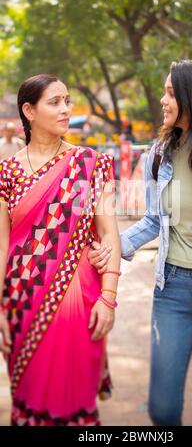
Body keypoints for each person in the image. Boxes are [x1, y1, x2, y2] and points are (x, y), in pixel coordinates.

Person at [88, 59, 192, 426]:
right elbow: (153, 221)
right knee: (162, 410)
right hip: (172, 290)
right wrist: (110, 249)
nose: (163, 100)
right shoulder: (159, 156)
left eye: (171, 93)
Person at [0, 73, 121, 426]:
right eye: (54, 102)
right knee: (29, 397)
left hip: (80, 302)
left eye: (67, 100)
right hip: (21, 302)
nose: (65, 109)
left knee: (75, 402)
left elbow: (109, 233)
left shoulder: (91, 164)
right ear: (29, 111)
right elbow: (2, 244)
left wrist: (109, 297)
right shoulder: (6, 172)